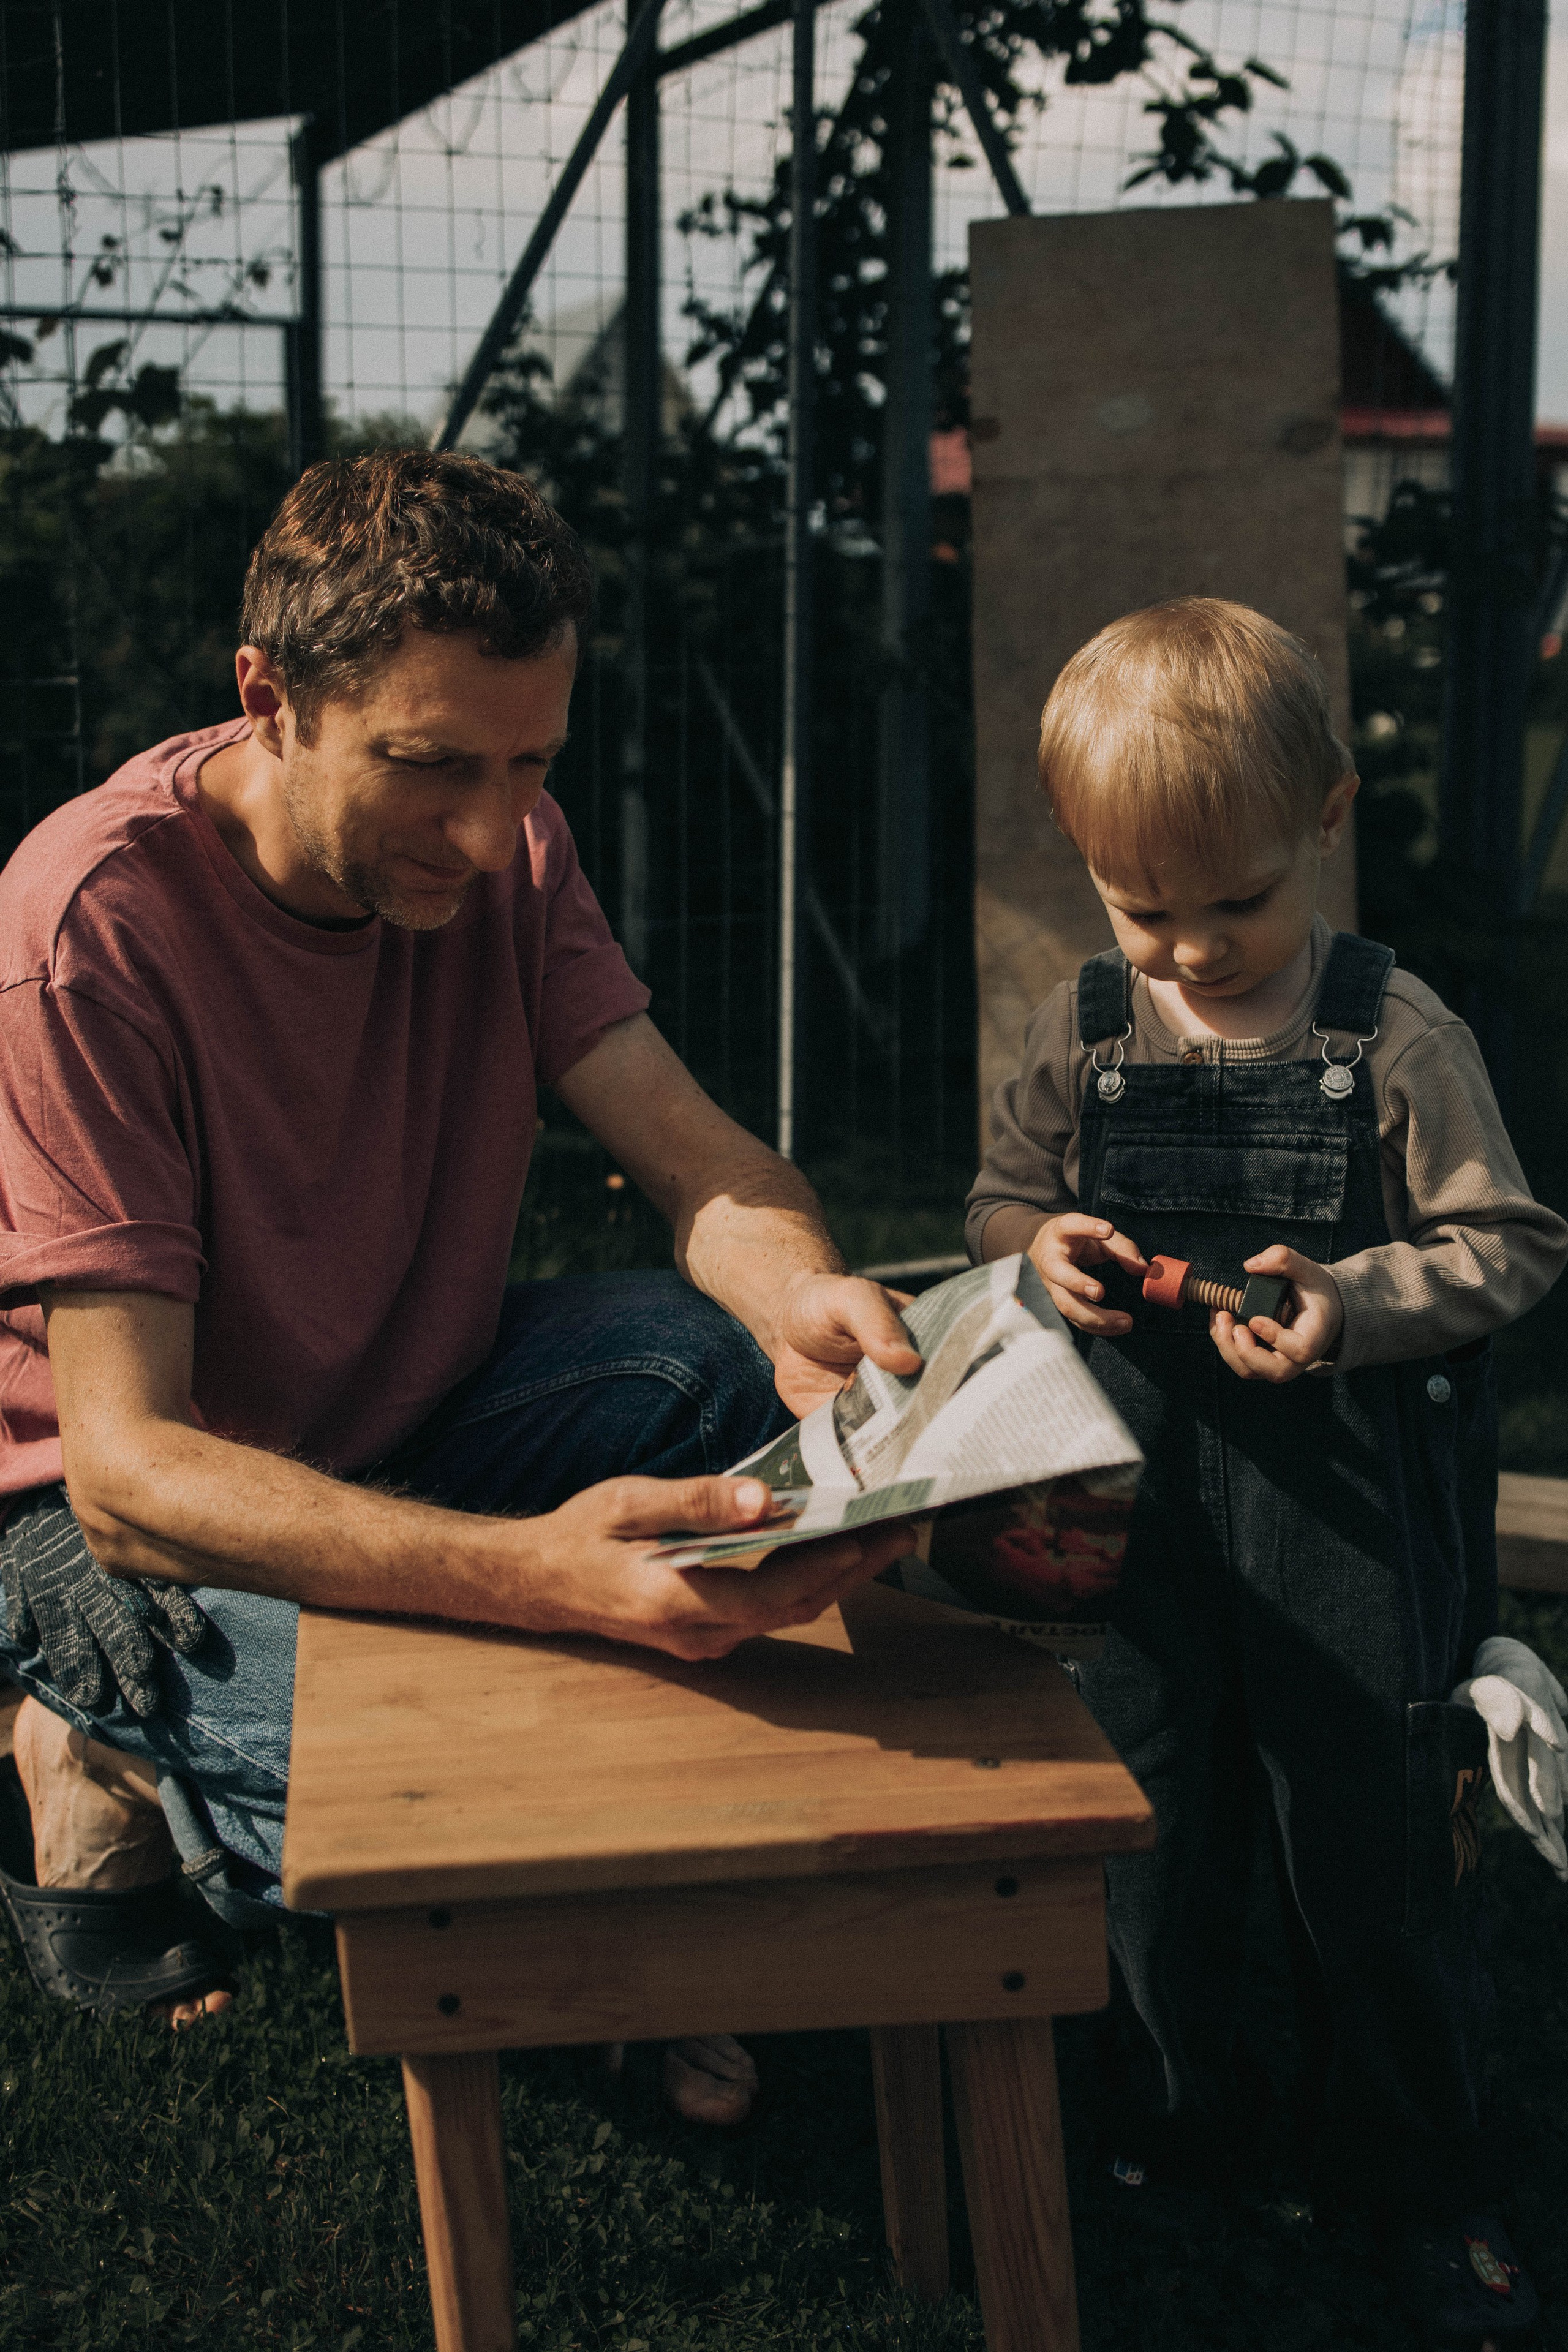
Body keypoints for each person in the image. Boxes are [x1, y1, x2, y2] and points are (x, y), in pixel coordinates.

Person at [0, 449, 918, 2120]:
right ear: (268, 699)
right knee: (428, 1805)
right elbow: (134, 1464)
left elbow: (701, 1163)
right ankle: (99, 1750)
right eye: (431, 768)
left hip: (403, 1411)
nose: (492, 835)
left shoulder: (510, 841)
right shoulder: (85, 926)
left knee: (699, 1365)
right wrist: (543, 1578)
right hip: (125, 1509)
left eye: (531, 765)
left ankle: (467, 1793)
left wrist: (799, 1294)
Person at [966, 597, 1568, 2345]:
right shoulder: (1085, 1029)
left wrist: (1361, 1300)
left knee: (1362, 1844)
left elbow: (1512, 1243)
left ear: (1322, 822)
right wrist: (1038, 1248)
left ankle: (1416, 2175)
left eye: (1234, 903)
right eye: (1144, 911)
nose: (1193, 950)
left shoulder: (1395, 1034)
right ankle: (1180, 2126)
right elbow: (1001, 1201)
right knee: (1151, 1824)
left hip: (1348, 1517)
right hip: (1137, 1506)